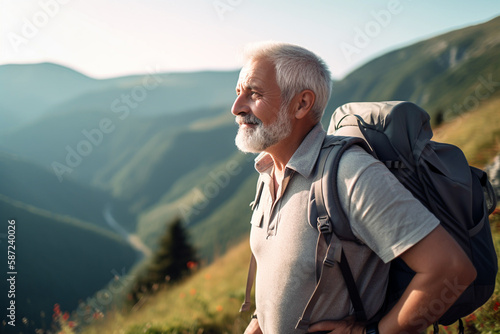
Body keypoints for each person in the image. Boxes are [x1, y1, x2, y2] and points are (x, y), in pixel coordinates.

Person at [231, 41, 477, 334]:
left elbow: (452, 269)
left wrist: (372, 333)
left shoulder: (350, 173)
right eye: (238, 93)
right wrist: (260, 322)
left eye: (254, 93)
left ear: (301, 104)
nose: (236, 108)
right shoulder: (267, 170)